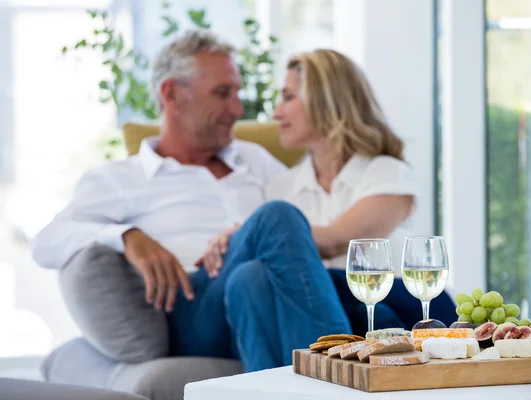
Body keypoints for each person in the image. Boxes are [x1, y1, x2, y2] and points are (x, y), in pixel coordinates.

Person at [31, 31, 350, 372]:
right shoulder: (123, 178)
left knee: (251, 278)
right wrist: (128, 236)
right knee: (276, 216)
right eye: (222, 93)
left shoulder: (253, 161)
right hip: (191, 309)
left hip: (255, 296)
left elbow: (301, 234)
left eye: (237, 93)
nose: (237, 109)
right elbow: (46, 242)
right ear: (172, 95)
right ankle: (341, 375)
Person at [201, 49, 456, 334]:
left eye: (288, 97)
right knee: (249, 278)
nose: (276, 113)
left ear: (325, 100)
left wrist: (253, 233)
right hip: (307, 318)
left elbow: (339, 241)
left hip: (391, 318)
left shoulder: (387, 174)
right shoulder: (280, 188)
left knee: (372, 314)